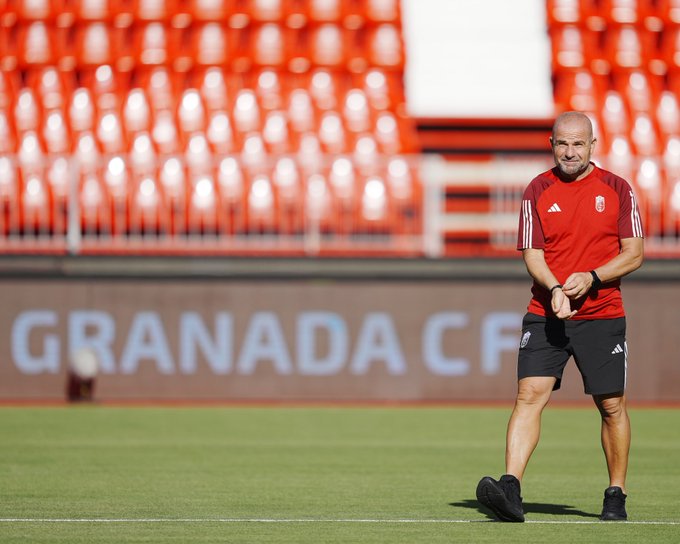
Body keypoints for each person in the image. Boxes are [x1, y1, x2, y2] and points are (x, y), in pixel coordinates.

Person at [475, 111, 644, 523]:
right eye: (562, 143)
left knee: (611, 406)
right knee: (529, 395)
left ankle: (615, 493)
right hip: (546, 311)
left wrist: (592, 278)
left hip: (602, 314)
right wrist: (554, 289)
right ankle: (510, 488)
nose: (570, 151)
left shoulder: (618, 189)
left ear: (592, 145)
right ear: (552, 144)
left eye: (578, 144)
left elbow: (634, 253)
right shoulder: (537, 189)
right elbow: (532, 254)